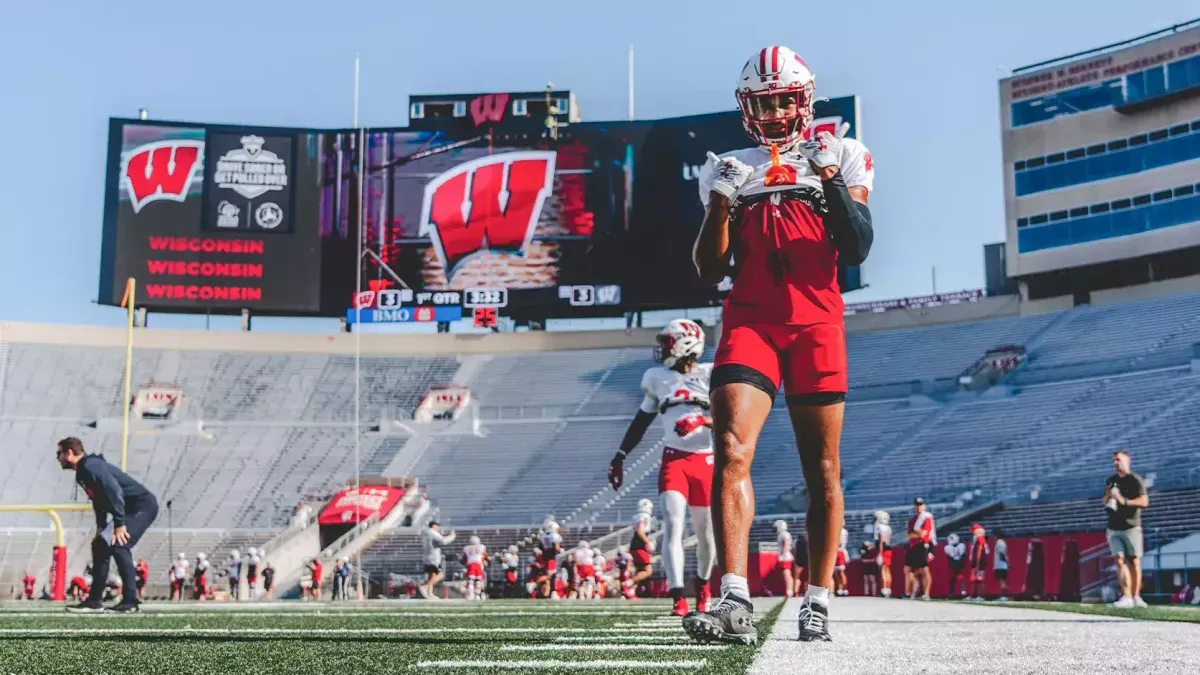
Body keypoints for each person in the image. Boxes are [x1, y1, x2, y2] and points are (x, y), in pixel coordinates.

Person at [686, 45, 875, 645]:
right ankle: (733, 595)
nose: (772, 111)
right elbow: (705, 268)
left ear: (803, 99)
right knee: (731, 448)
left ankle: (817, 599)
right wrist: (720, 199)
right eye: (761, 100)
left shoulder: (841, 152)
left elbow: (859, 244)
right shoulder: (727, 166)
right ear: (747, 105)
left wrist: (827, 178)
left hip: (817, 323)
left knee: (823, 469)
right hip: (751, 320)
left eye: (781, 98)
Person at [610, 318, 717, 616]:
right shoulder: (656, 377)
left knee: (706, 535)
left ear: (686, 342)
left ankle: (704, 588)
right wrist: (620, 455)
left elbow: (732, 419)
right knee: (673, 527)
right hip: (674, 460)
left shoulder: (710, 374)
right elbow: (641, 421)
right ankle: (678, 597)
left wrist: (701, 419)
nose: (663, 349)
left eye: (667, 342)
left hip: (705, 459)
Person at [58, 437, 159, 613]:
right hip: (127, 509)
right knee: (100, 546)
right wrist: (101, 526)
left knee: (120, 545)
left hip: (142, 506)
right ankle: (94, 601)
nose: (57, 457)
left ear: (69, 453)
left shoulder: (90, 466)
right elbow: (99, 499)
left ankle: (130, 601)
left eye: (59, 453)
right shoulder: (84, 470)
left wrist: (119, 524)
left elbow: (114, 490)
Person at [1105, 450, 1148, 608]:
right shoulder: (1111, 480)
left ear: (1127, 461)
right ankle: (1126, 595)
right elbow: (1104, 499)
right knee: (1119, 559)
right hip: (1113, 527)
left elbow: (1144, 501)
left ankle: (1136, 596)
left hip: (1131, 526)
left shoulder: (1134, 479)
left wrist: (1124, 501)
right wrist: (1109, 496)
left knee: (1134, 561)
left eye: (1118, 460)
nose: (1115, 463)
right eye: (1114, 460)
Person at [624, 498, 656, 600]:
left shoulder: (638, 516)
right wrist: (648, 542)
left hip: (635, 545)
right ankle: (627, 584)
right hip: (639, 546)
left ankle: (631, 591)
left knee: (640, 571)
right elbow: (640, 531)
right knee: (647, 571)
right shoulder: (644, 516)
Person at [906, 497, 935, 601]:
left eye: (920, 505)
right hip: (914, 546)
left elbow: (924, 534)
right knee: (911, 569)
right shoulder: (912, 519)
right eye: (917, 505)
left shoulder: (926, 517)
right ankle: (915, 591)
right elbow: (909, 535)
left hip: (925, 544)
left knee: (924, 569)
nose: (919, 507)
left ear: (924, 505)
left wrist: (917, 534)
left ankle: (926, 593)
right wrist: (917, 533)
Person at [421, 521, 456, 599]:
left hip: (427, 557)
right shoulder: (432, 532)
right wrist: (452, 536)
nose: (438, 528)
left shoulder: (425, 533)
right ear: (433, 526)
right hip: (433, 558)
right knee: (441, 575)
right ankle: (425, 586)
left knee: (432, 575)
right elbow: (443, 540)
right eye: (437, 526)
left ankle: (430, 593)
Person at [873, 511, 894, 598]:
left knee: (883, 570)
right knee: (887, 570)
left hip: (883, 550)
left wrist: (880, 553)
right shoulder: (888, 527)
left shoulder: (879, 527)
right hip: (888, 549)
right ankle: (888, 589)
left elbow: (881, 540)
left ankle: (884, 589)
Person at [774, 520, 796, 598]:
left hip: (786, 557)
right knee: (787, 574)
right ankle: (789, 590)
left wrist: (783, 554)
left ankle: (789, 591)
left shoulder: (784, 534)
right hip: (786, 556)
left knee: (786, 574)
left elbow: (786, 542)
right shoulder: (783, 534)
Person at [462, 535, 488, 601]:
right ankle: (478, 595)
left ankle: (471, 595)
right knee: (478, 581)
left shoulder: (466, 548)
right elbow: (485, 556)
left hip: (470, 565)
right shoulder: (481, 547)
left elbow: (464, 558)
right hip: (478, 564)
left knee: (471, 581)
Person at [968, 523, 989, 601]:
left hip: (979, 562)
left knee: (979, 579)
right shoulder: (977, 538)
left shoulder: (980, 538)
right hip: (977, 562)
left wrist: (977, 563)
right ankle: (974, 595)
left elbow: (980, 549)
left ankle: (980, 596)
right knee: (974, 579)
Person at [992, 529, 1010, 601]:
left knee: (1002, 581)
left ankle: (1004, 596)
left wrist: (1007, 563)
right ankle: (1004, 596)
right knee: (1002, 581)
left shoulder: (1000, 542)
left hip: (1001, 565)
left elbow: (1002, 554)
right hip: (1001, 564)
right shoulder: (1000, 542)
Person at [832, 527, 848, 597]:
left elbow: (839, 542)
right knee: (837, 573)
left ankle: (843, 588)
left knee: (840, 573)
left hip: (839, 550)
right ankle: (840, 588)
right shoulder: (843, 531)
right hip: (839, 550)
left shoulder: (841, 531)